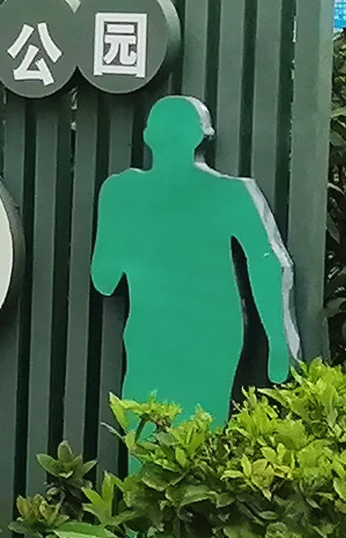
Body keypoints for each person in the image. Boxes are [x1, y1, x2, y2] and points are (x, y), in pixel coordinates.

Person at [89, 94, 298, 437]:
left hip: (154, 332)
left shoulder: (122, 192)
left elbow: (105, 278)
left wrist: (125, 219)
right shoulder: (233, 193)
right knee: (201, 434)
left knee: (146, 433)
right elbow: (268, 262)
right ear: (203, 136)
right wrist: (281, 340)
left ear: (148, 137)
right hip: (212, 332)